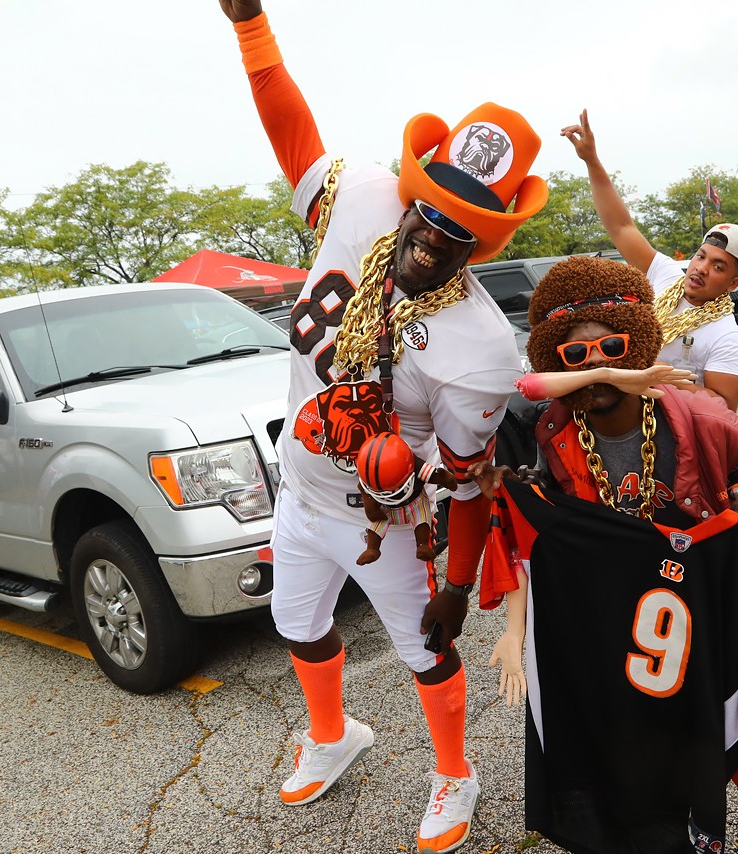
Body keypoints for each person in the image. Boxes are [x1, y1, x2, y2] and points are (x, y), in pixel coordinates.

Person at [217, 3, 548, 850]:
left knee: (423, 651)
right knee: (297, 623)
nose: (435, 238)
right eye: (429, 211)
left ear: (484, 242)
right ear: (408, 193)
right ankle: (333, 737)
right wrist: (252, 24)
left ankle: (454, 775)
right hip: (301, 491)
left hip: (388, 517)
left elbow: (471, 480)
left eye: (461, 231)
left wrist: (460, 584)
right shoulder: (359, 197)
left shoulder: (476, 346)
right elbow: (290, 136)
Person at [468, 255, 738, 854]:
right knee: (649, 734)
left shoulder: (697, 414)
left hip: (712, 589)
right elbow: (521, 522)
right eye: (574, 357)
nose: (595, 366)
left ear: (636, 345)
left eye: (611, 347)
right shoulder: (549, 433)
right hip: (630, 611)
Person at [561, 110, 738, 411]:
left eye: (718, 266)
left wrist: (663, 375)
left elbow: (725, 407)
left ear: (733, 283)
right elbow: (622, 227)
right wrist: (591, 161)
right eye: (701, 256)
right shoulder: (666, 275)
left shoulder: (725, 333)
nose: (701, 268)